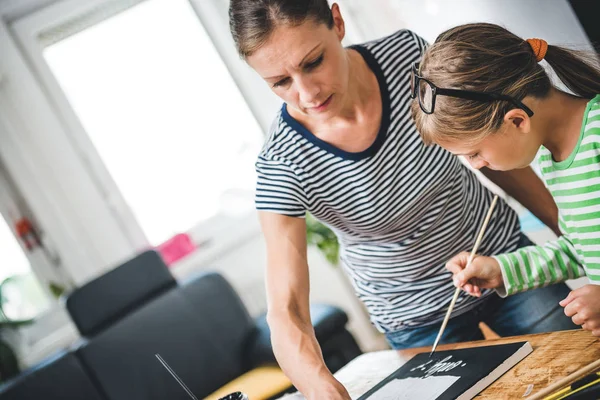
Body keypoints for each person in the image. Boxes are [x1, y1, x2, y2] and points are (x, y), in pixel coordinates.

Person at [228, 2, 576, 398]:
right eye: (279, 82)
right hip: (416, 319)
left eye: (313, 62)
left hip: (506, 263)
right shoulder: (281, 164)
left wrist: (578, 239)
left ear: (337, 22)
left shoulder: (409, 58)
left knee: (577, 379)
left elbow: (494, 150)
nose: (306, 93)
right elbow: (286, 307)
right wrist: (319, 384)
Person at [411, 23, 600, 337]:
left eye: (474, 153)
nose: (476, 165)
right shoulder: (550, 157)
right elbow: (581, 249)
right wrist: (501, 270)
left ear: (516, 120)